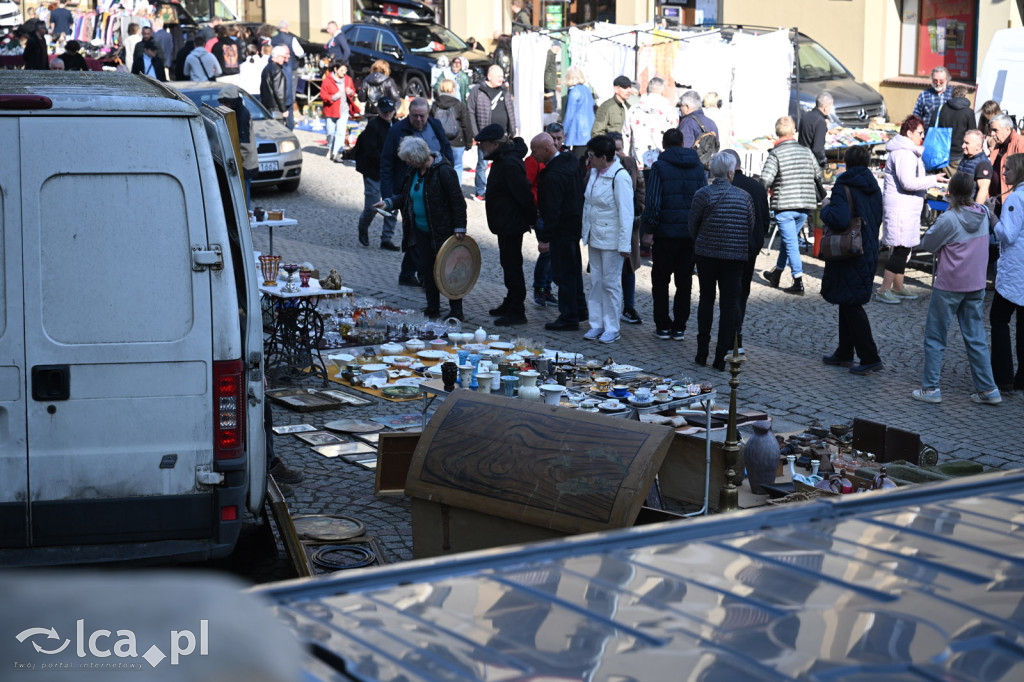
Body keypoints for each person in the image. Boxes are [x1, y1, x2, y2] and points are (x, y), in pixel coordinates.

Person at [908, 172, 1001, 403]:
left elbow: (928, 244)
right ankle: (989, 389)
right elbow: (985, 211)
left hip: (950, 285)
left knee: (935, 336)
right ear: (971, 191)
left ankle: (930, 388)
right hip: (976, 284)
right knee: (976, 337)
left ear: (951, 191)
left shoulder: (949, 218)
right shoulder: (983, 213)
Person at [376, 137, 468, 320]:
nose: (407, 163)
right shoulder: (414, 172)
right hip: (421, 231)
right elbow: (405, 197)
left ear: (417, 157)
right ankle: (432, 307)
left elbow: (457, 201)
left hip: (443, 231)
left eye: (409, 159)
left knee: (449, 271)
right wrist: (388, 203)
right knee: (427, 270)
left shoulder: (444, 172)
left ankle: (456, 310)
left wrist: (460, 227)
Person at [818, 145, 885, 376]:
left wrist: (825, 208)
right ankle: (844, 352)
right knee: (847, 299)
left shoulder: (842, 185)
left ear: (847, 161)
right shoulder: (874, 186)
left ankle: (870, 356)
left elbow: (839, 218)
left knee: (852, 303)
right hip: (867, 247)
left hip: (849, 250)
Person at [689, 152, 755, 371]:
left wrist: (702, 241)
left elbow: (693, 225)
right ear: (730, 172)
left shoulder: (702, 194)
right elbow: (750, 227)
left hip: (706, 255)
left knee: (706, 299)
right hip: (734, 258)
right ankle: (720, 359)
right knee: (728, 304)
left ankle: (701, 353)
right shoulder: (744, 197)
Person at [380, 98, 456, 283]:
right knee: (415, 234)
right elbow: (387, 162)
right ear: (409, 114)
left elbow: (446, 148)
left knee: (422, 233)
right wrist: (388, 195)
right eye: (415, 116)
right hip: (410, 190)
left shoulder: (435, 125)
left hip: (435, 189)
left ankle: (408, 274)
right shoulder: (397, 130)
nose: (419, 119)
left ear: (428, 114)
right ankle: (423, 275)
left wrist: (449, 173)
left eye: (423, 116)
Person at [642, 128, 706, 341]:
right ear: (682, 142)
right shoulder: (697, 166)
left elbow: (653, 201)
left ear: (664, 144)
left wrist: (648, 229)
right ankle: (680, 326)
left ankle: (662, 325)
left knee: (660, 281)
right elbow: (703, 198)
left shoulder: (659, 167)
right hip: (689, 235)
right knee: (684, 281)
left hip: (665, 234)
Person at [876, 115, 946, 303]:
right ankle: (884, 289)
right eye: (920, 133)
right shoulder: (903, 153)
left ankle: (898, 287)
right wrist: (933, 180)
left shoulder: (908, 152)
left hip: (906, 208)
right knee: (900, 250)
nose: (922, 136)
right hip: (901, 209)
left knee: (903, 248)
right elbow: (907, 182)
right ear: (909, 133)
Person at [477, 124, 536, 326]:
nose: (481, 147)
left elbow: (523, 194)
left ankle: (517, 310)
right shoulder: (503, 159)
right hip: (505, 222)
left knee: (513, 267)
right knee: (508, 264)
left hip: (511, 223)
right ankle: (511, 301)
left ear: (495, 144)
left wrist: (532, 219)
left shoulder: (509, 162)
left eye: (483, 144)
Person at [760, 115, 822, 295]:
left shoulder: (776, 154)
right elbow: (817, 174)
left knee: (791, 243)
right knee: (789, 242)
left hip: (784, 206)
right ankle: (777, 273)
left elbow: (765, 180)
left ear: (776, 132)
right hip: (805, 206)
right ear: (794, 131)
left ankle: (798, 281)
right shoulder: (807, 152)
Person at [532, 133, 588, 331]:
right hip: (573, 226)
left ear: (547, 149)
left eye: (535, 150)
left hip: (562, 230)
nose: (533, 155)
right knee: (573, 273)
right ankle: (579, 309)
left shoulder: (554, 174)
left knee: (563, 274)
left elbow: (552, 209)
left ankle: (569, 316)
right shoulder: (569, 162)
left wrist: (545, 237)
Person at [581, 135, 633, 344]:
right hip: (595, 236)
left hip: (611, 240)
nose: (588, 159)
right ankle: (597, 324)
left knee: (611, 284)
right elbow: (588, 205)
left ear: (604, 157)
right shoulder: (594, 172)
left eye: (592, 156)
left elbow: (626, 213)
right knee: (596, 282)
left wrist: (624, 245)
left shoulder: (619, 177)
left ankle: (612, 327)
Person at [723, 148, 769, 353]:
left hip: (729, 248)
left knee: (729, 293)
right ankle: (735, 335)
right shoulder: (757, 187)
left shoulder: (726, 187)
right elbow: (765, 221)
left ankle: (732, 337)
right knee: (741, 292)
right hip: (750, 248)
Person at [989, 152, 1024, 393]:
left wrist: (992, 217)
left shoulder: (1015, 199)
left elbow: (1007, 235)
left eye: (1007, 169)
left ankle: (1003, 377)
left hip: (1015, 272)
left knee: (998, 320)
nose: (1003, 173)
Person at [607, 131, 645, 325]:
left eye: (620, 149)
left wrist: (639, 209)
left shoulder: (629, 162)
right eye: (614, 150)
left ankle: (628, 307)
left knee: (628, 267)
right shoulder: (600, 166)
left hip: (629, 226)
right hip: (608, 225)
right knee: (609, 268)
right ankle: (609, 308)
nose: (617, 153)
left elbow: (640, 187)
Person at [353, 97, 398, 249]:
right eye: (385, 111)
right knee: (372, 206)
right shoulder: (373, 126)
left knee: (393, 205)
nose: (388, 114)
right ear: (379, 111)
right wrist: (387, 163)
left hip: (391, 172)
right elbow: (371, 151)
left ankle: (386, 239)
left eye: (390, 111)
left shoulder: (397, 125)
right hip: (374, 171)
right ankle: (363, 227)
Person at [467, 65, 516, 201]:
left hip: (503, 136)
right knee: (482, 164)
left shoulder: (504, 90)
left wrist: (513, 130)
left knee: (503, 163)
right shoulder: (478, 90)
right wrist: (476, 134)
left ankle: (500, 190)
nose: (502, 78)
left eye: (502, 76)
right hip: (485, 136)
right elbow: (470, 111)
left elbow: (510, 111)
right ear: (489, 77)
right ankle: (480, 192)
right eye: (498, 76)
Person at [529, 122, 564, 309]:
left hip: (554, 213)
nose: (557, 142)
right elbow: (527, 185)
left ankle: (547, 288)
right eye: (554, 138)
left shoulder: (563, 159)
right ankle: (540, 288)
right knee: (546, 252)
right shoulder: (536, 159)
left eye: (559, 138)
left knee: (552, 253)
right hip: (541, 212)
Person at [627, 77, 679, 171]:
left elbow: (626, 136)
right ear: (662, 91)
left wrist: (626, 159)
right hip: (663, 163)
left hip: (637, 162)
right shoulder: (671, 111)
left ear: (648, 89)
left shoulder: (634, 109)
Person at [218, 89, 257, 206]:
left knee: (244, 198)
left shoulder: (242, 114)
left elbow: (243, 142)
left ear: (233, 101)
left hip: (244, 164)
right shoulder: (234, 113)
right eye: (222, 102)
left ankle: (246, 221)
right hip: (241, 161)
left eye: (226, 102)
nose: (224, 105)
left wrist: (235, 162)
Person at [430, 78, 473, 182]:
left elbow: (430, 124)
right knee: (457, 166)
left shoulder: (435, 105)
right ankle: (456, 190)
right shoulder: (459, 105)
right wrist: (468, 143)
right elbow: (466, 125)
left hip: (439, 141)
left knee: (440, 166)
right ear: (453, 89)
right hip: (458, 141)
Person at [270, 20, 305, 130]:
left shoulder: (273, 39)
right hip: (290, 69)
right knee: (289, 92)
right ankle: (289, 117)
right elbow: (300, 52)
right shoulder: (291, 38)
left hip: (275, 68)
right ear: (287, 28)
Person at [935, 85, 977, 173]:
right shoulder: (968, 113)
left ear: (952, 95)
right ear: (965, 96)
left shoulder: (941, 109)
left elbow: (932, 127)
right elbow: (973, 134)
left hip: (941, 154)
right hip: (960, 154)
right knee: (958, 185)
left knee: (941, 184)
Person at [988, 114, 1024, 215]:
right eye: (991, 130)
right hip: (996, 203)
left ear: (1007, 129)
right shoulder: (998, 144)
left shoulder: (1020, 143)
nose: (992, 134)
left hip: (1012, 206)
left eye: (995, 130)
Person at [320, 60, 355, 162]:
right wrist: (334, 97)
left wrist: (351, 92)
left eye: (345, 70)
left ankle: (337, 153)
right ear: (335, 69)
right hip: (331, 110)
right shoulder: (327, 80)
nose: (344, 73)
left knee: (341, 132)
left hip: (344, 110)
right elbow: (323, 96)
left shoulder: (348, 80)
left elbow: (353, 91)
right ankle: (330, 148)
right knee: (330, 132)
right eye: (342, 70)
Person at [561, 65, 595, 159]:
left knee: (577, 162)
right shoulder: (587, 90)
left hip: (578, 132)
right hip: (589, 131)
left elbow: (569, 115)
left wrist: (563, 132)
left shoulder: (574, 92)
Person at [958, 129, 994, 205]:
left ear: (978, 146)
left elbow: (983, 190)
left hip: (968, 209)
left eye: (967, 143)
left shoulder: (983, 164)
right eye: (963, 142)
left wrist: (975, 211)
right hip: (958, 206)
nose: (963, 146)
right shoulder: (966, 158)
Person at [798, 91, 832, 168]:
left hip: (802, 159)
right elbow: (817, 149)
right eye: (830, 107)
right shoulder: (820, 122)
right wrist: (825, 163)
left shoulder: (805, 116)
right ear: (825, 108)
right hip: (812, 164)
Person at [912, 66, 951, 131]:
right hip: (928, 134)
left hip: (946, 135)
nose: (938, 83)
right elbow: (916, 115)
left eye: (941, 81)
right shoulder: (924, 95)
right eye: (935, 81)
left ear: (946, 80)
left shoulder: (952, 94)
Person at [260, 45, 289, 120]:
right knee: (278, 130)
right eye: (283, 57)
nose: (285, 60)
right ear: (277, 57)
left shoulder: (266, 68)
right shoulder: (277, 70)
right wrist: (284, 109)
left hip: (267, 106)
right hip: (276, 108)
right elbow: (279, 92)